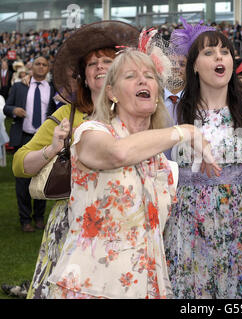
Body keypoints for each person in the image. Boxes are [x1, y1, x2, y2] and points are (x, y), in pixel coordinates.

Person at [46, 48, 218, 299]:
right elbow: (118, 153)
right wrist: (187, 131)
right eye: (130, 76)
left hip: (146, 288)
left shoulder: (160, 160)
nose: (142, 80)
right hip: (90, 287)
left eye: (149, 75)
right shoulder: (90, 132)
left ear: (158, 93)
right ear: (112, 93)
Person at [11, 21, 140, 298]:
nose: (99, 67)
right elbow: (19, 164)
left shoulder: (137, 114)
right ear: (82, 74)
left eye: (107, 61)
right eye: (92, 64)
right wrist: (53, 148)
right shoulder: (66, 116)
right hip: (73, 224)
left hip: (125, 225)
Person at [164, 27, 242, 299]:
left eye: (225, 52)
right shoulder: (173, 113)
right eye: (209, 52)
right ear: (195, 67)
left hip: (241, 222)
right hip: (188, 225)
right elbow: (163, 174)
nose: (219, 58)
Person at [3, 56, 57, 232]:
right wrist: (14, 110)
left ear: (48, 69)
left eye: (44, 64)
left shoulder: (53, 89)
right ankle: (25, 219)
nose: (41, 67)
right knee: (22, 181)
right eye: (38, 64)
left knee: (43, 178)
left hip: (45, 140)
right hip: (24, 137)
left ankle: (39, 217)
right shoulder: (20, 86)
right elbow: (6, 107)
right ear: (31, 67)